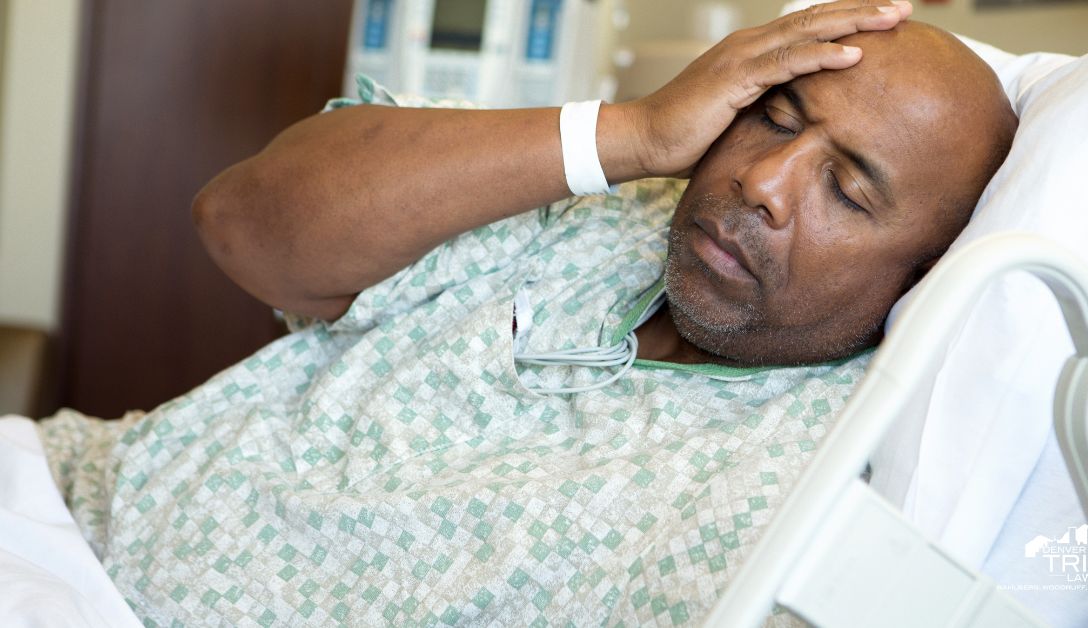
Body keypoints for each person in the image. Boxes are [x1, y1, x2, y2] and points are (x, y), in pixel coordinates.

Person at [38, 2, 1017, 624]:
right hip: (56, 506)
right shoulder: (585, 207)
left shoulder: (811, 478)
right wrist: (629, 134)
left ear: (920, 276)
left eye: (847, 191)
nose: (764, 180)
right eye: (777, 115)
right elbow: (240, 225)